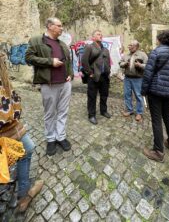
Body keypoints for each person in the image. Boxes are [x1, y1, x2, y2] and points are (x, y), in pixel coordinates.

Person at [0, 53, 43, 213]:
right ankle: (23, 195)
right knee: (26, 149)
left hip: (9, 127)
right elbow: (9, 112)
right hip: (6, 130)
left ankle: (18, 187)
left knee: (25, 149)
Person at [25, 17, 73, 156]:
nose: (61, 28)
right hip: (49, 83)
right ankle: (51, 139)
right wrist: (49, 61)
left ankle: (61, 137)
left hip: (65, 83)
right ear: (50, 26)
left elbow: (68, 61)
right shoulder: (36, 41)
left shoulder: (62, 44)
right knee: (50, 113)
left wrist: (69, 73)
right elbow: (28, 58)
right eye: (59, 26)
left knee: (63, 111)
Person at [141, 30, 169, 162]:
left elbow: (148, 74)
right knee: (168, 116)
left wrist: (143, 91)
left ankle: (158, 151)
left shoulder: (156, 52)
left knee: (156, 119)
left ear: (160, 39)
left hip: (156, 91)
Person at [81, 30, 111, 125]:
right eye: (98, 34)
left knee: (104, 95)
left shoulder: (105, 49)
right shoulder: (89, 47)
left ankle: (103, 111)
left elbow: (108, 62)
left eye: (101, 34)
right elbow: (84, 61)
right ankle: (92, 115)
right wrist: (90, 73)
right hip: (93, 76)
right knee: (92, 96)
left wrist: (108, 70)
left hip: (105, 76)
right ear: (93, 37)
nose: (101, 35)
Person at [119, 40, 148, 122]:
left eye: (131, 45)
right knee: (127, 94)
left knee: (139, 96)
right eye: (129, 45)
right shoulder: (126, 55)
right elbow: (120, 63)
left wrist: (140, 65)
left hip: (138, 79)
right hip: (127, 78)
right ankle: (129, 110)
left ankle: (139, 112)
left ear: (137, 46)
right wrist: (124, 64)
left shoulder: (142, 55)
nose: (129, 47)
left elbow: (148, 65)